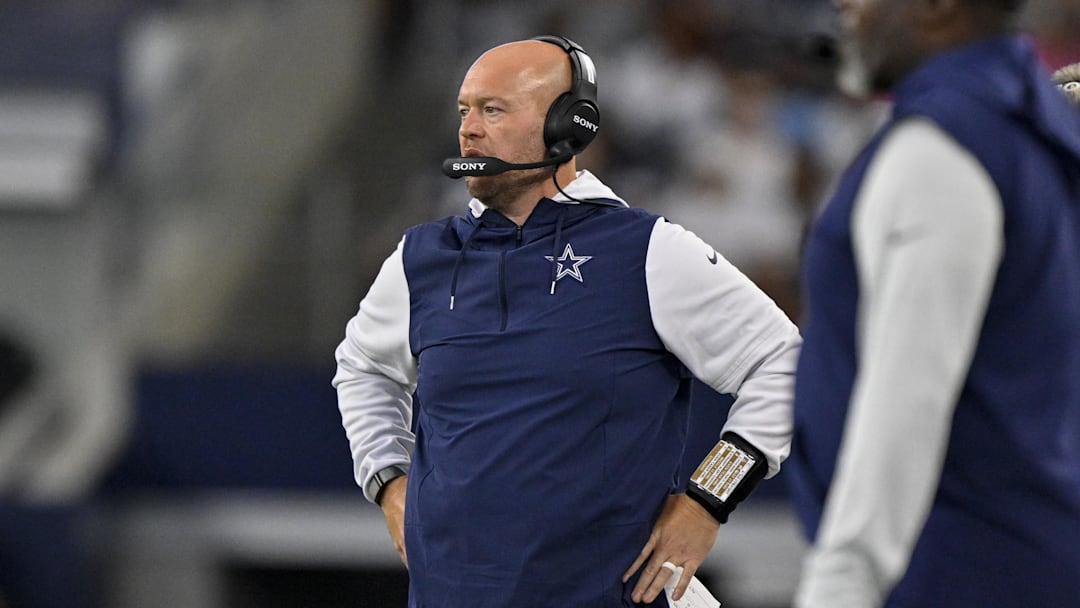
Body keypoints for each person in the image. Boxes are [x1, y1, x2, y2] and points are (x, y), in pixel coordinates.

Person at [333, 35, 801, 607]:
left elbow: (783, 361)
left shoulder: (646, 251)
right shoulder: (420, 259)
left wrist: (708, 500)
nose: (469, 130)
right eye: (464, 111)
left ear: (568, 126)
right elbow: (361, 368)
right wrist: (387, 480)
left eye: (493, 109)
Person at [788, 1, 1080, 607]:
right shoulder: (1034, 119)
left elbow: (909, 401)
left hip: (947, 570)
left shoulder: (943, 147)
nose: (844, 5)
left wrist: (841, 585)